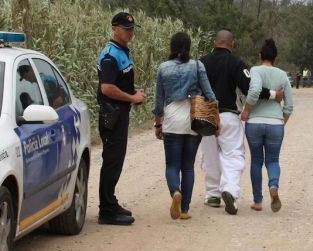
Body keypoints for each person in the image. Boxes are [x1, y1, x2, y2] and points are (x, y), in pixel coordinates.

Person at [199, 29, 282, 215]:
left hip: (206, 114)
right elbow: (250, 89)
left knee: (209, 155)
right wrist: (274, 94)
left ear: (214, 42)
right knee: (233, 154)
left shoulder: (201, 63)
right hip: (228, 113)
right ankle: (229, 189)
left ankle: (212, 194)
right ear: (232, 44)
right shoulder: (236, 63)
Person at [153, 32, 216, 220]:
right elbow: (210, 94)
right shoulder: (198, 65)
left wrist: (158, 124)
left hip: (172, 118)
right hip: (193, 118)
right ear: (189, 46)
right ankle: (184, 210)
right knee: (188, 166)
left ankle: (175, 193)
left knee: (172, 164)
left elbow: (158, 100)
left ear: (171, 47)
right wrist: (215, 120)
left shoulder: (163, 68)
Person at [96, 12, 146, 226]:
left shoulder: (122, 52)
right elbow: (106, 88)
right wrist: (132, 97)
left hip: (120, 112)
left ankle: (110, 202)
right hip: (112, 114)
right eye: (126, 29)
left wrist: (133, 92)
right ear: (114, 28)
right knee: (112, 161)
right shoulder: (110, 55)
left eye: (132, 28)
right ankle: (106, 209)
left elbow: (117, 83)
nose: (130, 32)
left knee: (116, 161)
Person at [240, 39, 293, 212]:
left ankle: (257, 201)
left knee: (256, 161)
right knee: (273, 160)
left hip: (254, 122)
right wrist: (281, 122)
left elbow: (254, 90)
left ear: (260, 55)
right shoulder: (283, 75)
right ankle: (273, 185)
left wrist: (247, 110)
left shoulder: (255, 70)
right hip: (275, 123)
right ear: (275, 57)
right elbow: (289, 105)